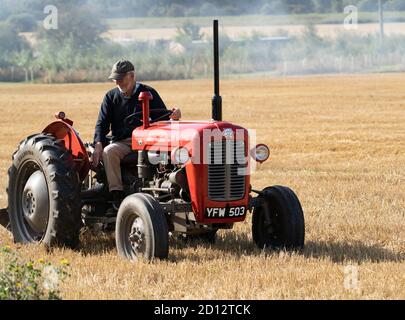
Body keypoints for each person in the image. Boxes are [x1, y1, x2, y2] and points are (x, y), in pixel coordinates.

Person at [93, 59, 181, 209]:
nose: (118, 83)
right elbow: (101, 124)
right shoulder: (110, 97)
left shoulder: (149, 92)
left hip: (149, 141)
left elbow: (164, 117)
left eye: (121, 79)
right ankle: (117, 195)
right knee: (109, 152)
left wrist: (174, 115)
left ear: (132, 76)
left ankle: (171, 188)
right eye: (116, 79)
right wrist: (98, 144)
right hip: (124, 142)